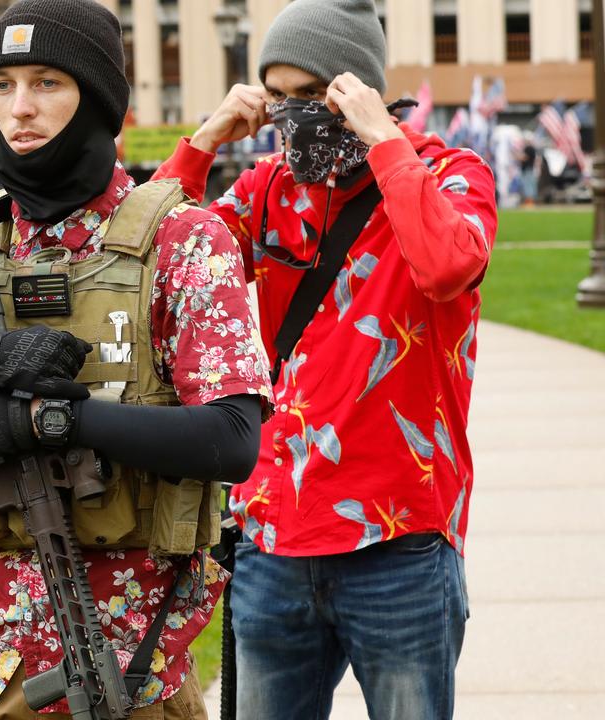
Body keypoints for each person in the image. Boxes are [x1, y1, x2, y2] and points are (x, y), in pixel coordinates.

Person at [0, 1, 273, 718]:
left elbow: (230, 437)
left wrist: (51, 422)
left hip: (124, 668)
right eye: (2, 86)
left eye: (46, 83)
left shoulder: (184, 240)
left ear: (97, 99)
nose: (20, 108)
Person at [150, 1, 496, 717]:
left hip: (399, 538)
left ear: (360, 88)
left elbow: (446, 266)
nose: (296, 117)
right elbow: (154, 263)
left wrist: (383, 141)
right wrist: (205, 141)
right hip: (273, 541)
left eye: (316, 96)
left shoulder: (451, 173)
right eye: (280, 97)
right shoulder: (269, 189)